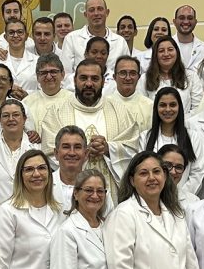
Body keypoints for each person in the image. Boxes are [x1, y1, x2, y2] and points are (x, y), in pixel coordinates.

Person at [40, 60, 139, 200]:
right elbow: (49, 151)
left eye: (95, 79)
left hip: (111, 194)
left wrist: (108, 149)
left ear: (103, 82)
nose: (89, 83)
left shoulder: (120, 111)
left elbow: (133, 149)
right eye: (83, 78)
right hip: (69, 194)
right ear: (74, 80)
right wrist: (81, 154)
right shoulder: (57, 112)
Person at [138, 88, 204, 194]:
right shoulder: (145, 137)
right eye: (163, 105)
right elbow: (142, 170)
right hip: (153, 196)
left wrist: (179, 196)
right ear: (156, 108)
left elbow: (198, 172)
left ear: (179, 107)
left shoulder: (193, 137)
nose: (168, 109)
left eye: (172, 105)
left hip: (183, 198)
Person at [0, 99, 42, 202]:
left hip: (30, 207)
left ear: (24, 119)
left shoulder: (37, 147)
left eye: (16, 115)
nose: (11, 119)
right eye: (5, 116)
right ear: (0, 120)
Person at [60, 0, 128, 74]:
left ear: (107, 12)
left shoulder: (120, 42)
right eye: (92, 10)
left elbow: (126, 72)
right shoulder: (71, 38)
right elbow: (65, 74)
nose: (96, 13)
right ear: (85, 14)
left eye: (100, 9)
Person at [137, 36, 203, 114]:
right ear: (155, 55)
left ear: (177, 52)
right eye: (161, 51)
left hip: (186, 121)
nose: (166, 54)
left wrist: (182, 120)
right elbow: (142, 108)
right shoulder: (145, 79)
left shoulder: (191, 77)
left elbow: (198, 108)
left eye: (170, 50)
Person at [23, 53, 72, 130]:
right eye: (44, 73)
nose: (49, 77)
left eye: (53, 72)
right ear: (37, 77)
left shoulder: (72, 100)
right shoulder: (27, 103)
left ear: (62, 74)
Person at [109, 55, 154, 131]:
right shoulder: (104, 104)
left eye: (133, 73)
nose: (128, 78)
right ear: (114, 77)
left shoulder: (149, 106)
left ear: (138, 77)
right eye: (123, 73)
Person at [51, 125, 89, 209]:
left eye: (77, 147)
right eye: (66, 147)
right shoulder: (44, 185)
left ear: (86, 154)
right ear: (56, 153)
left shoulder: (98, 189)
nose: (72, 153)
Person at [0, 19, 38, 96]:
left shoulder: (38, 61)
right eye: (11, 32)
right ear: (5, 37)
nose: (16, 36)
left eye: (20, 32)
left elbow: (44, 89)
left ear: (26, 36)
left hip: (30, 102)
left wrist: (27, 94)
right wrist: (8, 89)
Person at [173, 5, 204, 70]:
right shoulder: (167, 48)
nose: (186, 22)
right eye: (181, 18)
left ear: (195, 22)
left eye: (190, 18)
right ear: (174, 21)